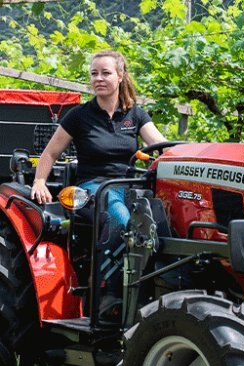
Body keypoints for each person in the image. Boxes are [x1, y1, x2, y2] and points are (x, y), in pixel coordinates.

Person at [30, 50, 166, 298]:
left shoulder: (135, 115)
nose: (99, 79)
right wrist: (40, 181)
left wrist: (187, 154)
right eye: (94, 74)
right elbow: (49, 154)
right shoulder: (80, 116)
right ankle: (104, 292)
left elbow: (160, 146)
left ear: (121, 75)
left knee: (163, 222)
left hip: (130, 187)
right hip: (92, 189)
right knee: (122, 220)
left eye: (105, 73)